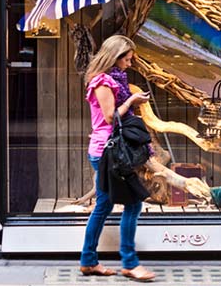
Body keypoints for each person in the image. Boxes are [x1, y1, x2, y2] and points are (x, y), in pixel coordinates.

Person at [79, 35, 156, 282]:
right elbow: (111, 117)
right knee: (133, 204)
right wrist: (132, 100)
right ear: (115, 57)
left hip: (106, 150)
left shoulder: (111, 80)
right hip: (109, 153)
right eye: (128, 59)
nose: (130, 64)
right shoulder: (103, 82)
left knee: (103, 206)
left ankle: (89, 261)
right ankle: (130, 263)